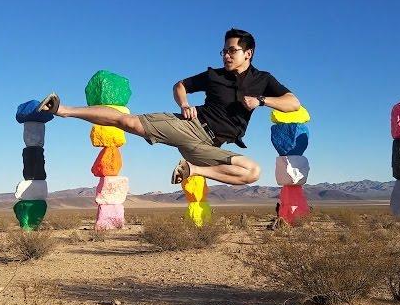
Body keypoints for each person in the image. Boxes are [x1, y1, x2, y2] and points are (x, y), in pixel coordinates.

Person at [38, 28, 301, 186]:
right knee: (128, 122)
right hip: (192, 127)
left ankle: (192, 170)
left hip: (210, 147)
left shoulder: (262, 80)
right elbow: (180, 85)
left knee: (252, 172)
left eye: (232, 50)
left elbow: (293, 103)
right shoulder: (214, 76)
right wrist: (184, 103)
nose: (226, 55)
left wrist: (263, 101)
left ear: (248, 53)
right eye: (224, 51)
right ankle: (63, 109)